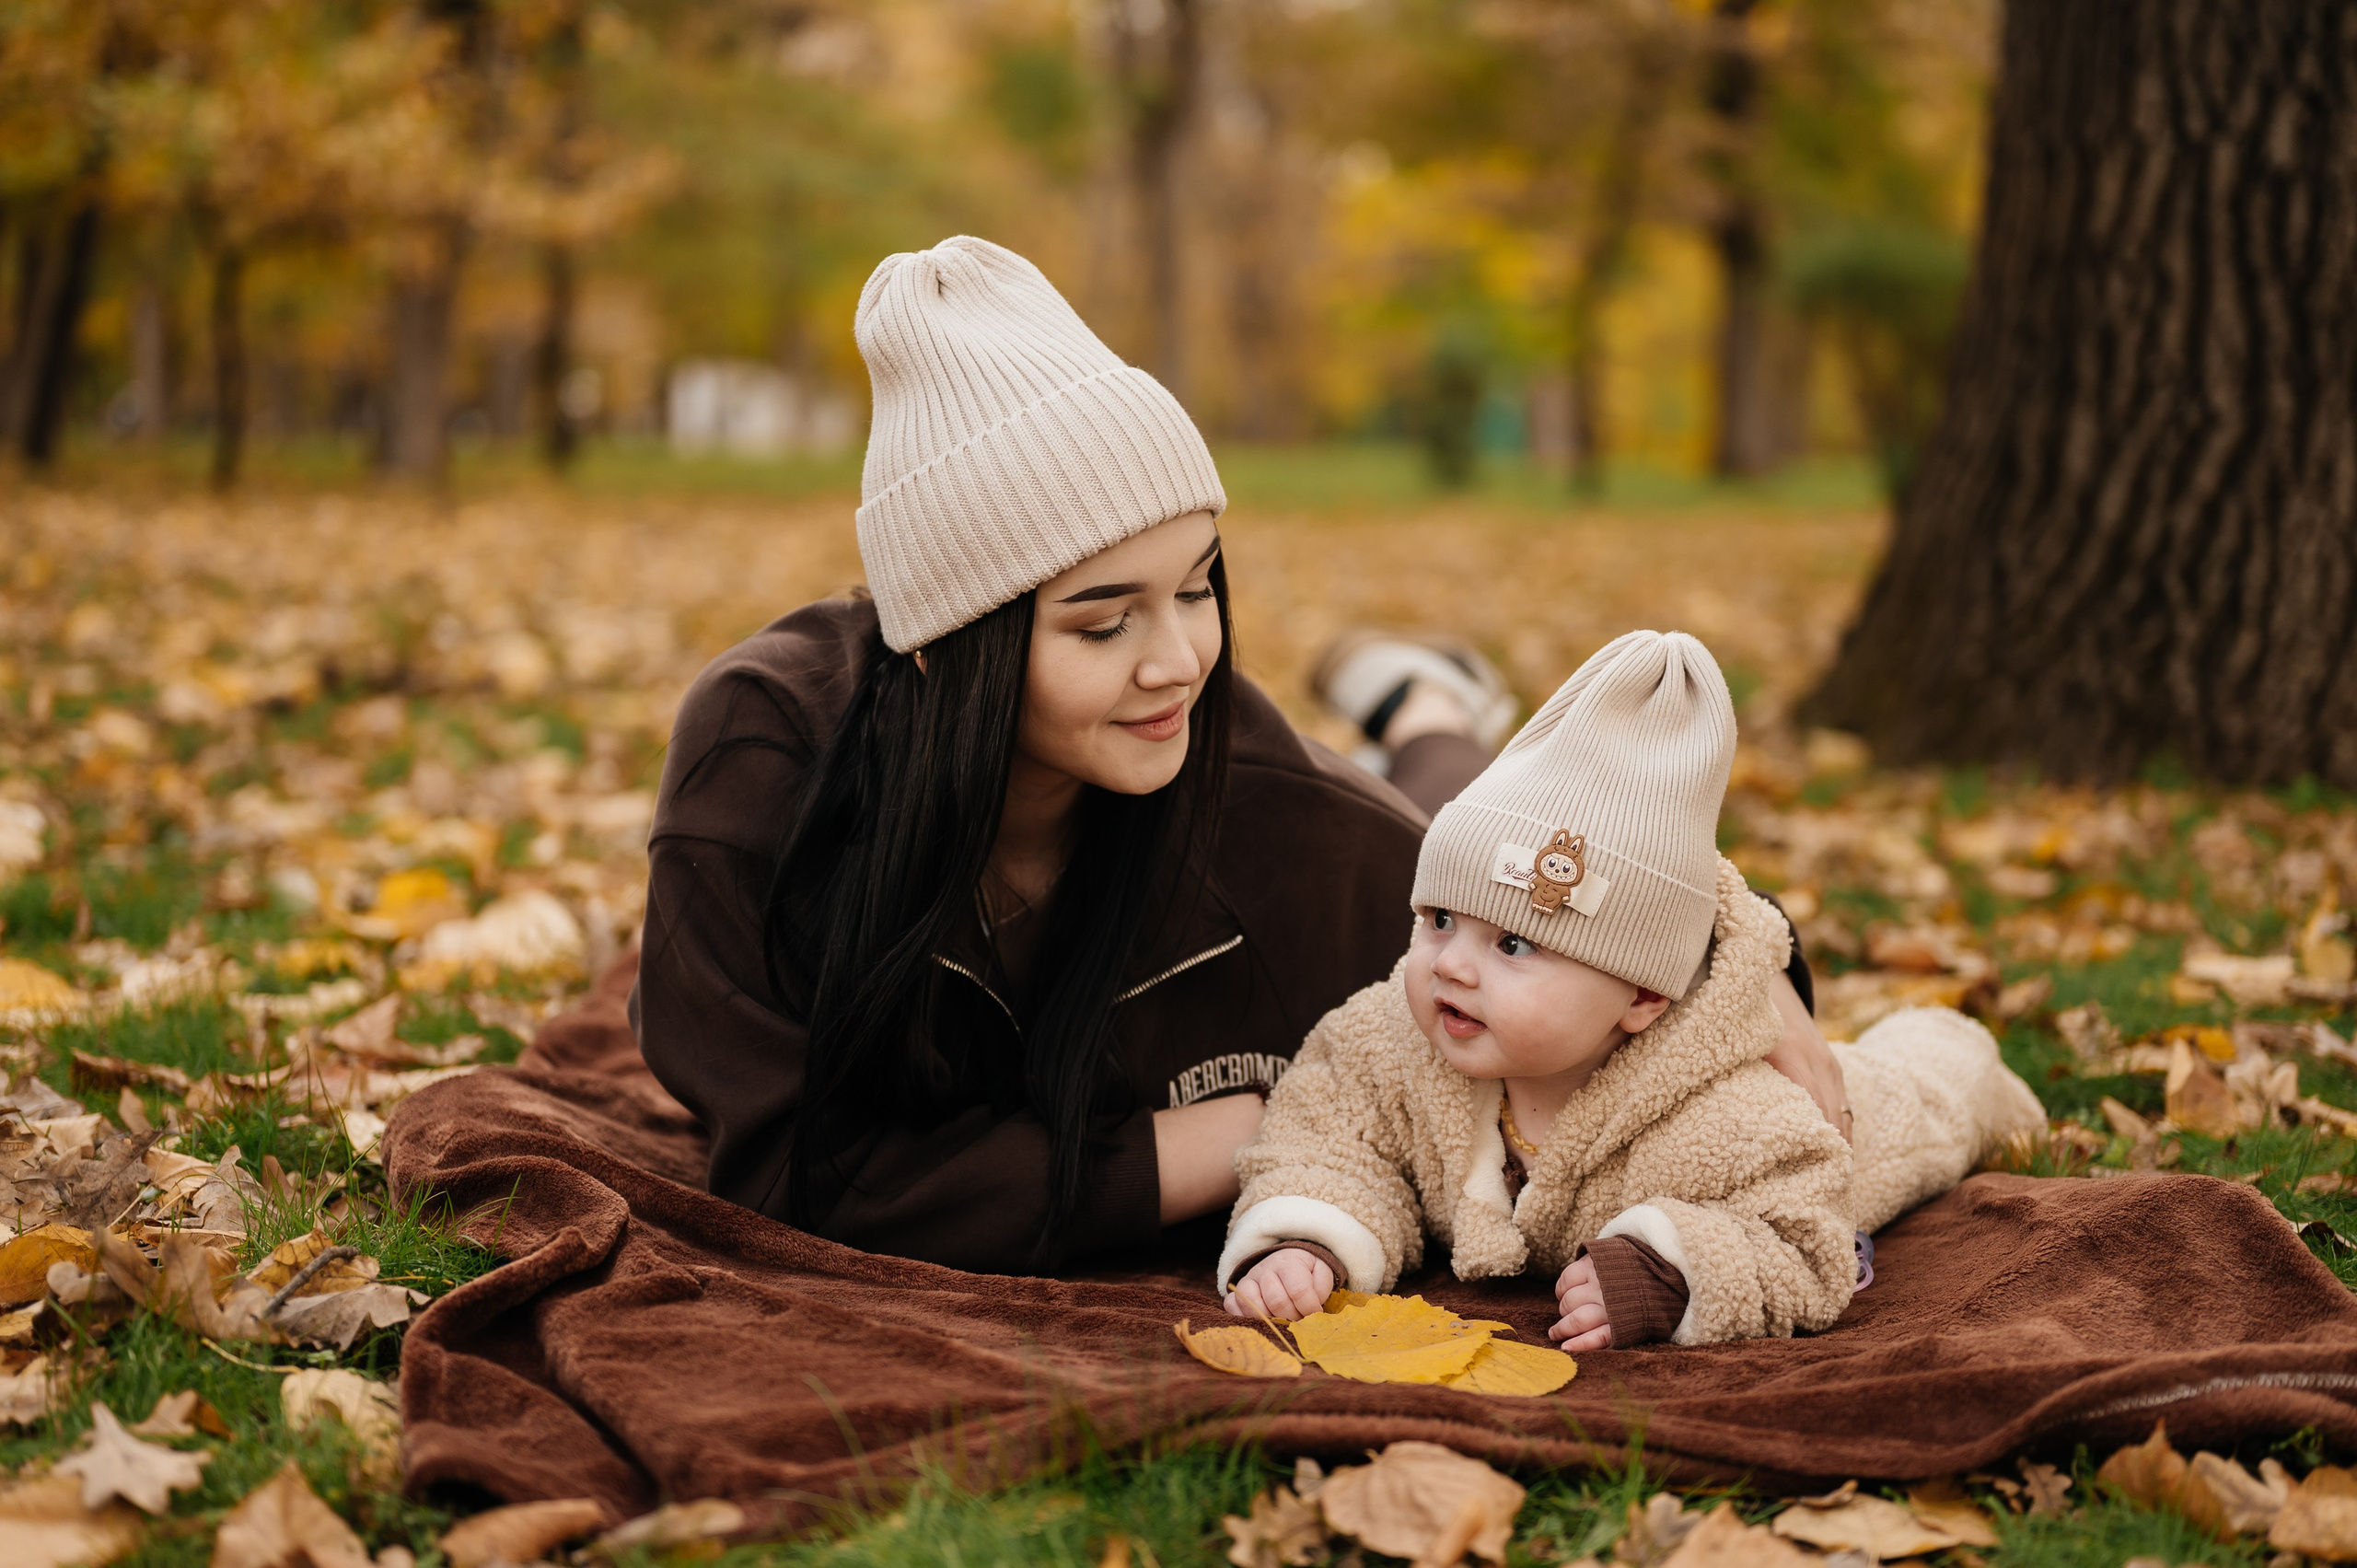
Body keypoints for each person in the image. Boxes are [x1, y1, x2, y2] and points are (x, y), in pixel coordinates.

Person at [632, 233, 1848, 1275]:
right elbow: (793, 1169)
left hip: (1341, 808)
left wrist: (1745, 951)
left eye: (1199, 588)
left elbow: (1545, 887)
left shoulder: (1257, 800)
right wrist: (1223, 1137)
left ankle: (1422, 698)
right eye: (1104, 621)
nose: (1178, 660)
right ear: (951, 651)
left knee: (1446, 820)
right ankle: (1421, 693)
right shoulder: (760, 759)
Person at [1219, 631, 2045, 1347]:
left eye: (1513, 942)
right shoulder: (1391, 1037)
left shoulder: (1735, 1114)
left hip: (1866, 1117)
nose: (1452, 966)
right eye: (1438, 918)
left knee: (1933, 1087)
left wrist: (1672, 1267)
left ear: (1644, 998)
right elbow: (1327, 1130)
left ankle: (1962, 1054)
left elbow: (1802, 1240)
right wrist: (1309, 1234)